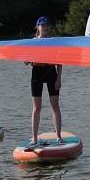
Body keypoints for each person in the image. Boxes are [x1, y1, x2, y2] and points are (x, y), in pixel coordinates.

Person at [25, 16, 64, 149]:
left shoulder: (54, 42)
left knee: (55, 105)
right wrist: (28, 54)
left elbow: (59, 62)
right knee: (37, 108)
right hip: (37, 73)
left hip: (51, 73)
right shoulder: (32, 42)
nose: (45, 27)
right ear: (38, 27)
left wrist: (59, 78)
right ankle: (34, 138)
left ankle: (58, 136)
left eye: (47, 25)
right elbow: (25, 61)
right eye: (43, 25)